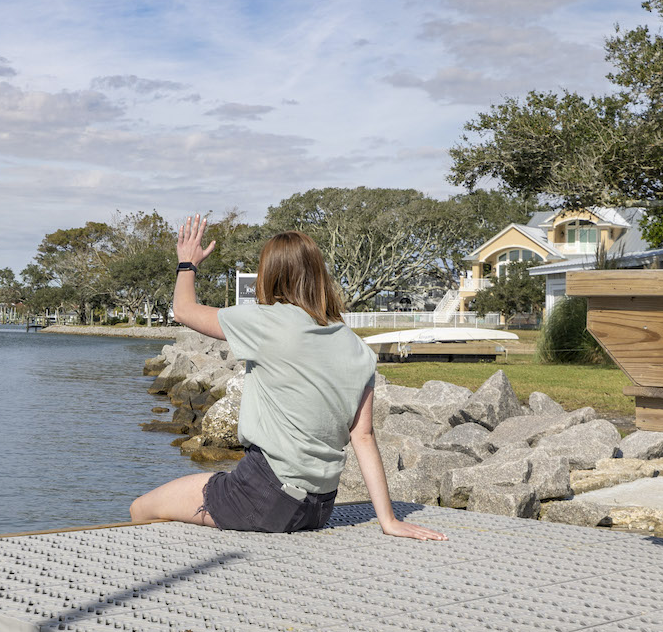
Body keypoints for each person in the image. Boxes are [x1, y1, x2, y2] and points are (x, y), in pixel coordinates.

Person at [129, 215, 446, 542]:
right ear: (318, 276)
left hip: (263, 495)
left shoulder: (265, 323)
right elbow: (362, 436)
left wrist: (187, 263)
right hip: (317, 509)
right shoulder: (356, 346)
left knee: (142, 508)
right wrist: (389, 520)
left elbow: (183, 309)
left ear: (269, 275)